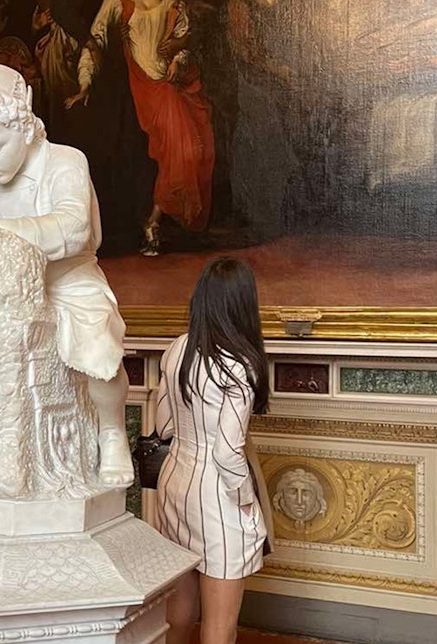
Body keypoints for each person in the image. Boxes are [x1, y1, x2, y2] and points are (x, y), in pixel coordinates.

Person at [0, 63, 133, 486]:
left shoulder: (65, 161)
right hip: (10, 288)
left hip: (68, 279)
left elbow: (73, 229)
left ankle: (112, 430)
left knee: (97, 342)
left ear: (23, 127)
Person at [152, 257, 273, 644]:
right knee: (220, 629)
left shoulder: (176, 349)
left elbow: (162, 426)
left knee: (179, 616)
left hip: (174, 482)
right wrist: (246, 503)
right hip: (217, 498)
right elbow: (226, 453)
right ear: (242, 304)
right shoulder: (238, 365)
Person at [67, 0, 215, 256]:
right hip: (141, 89)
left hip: (170, 87)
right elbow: (95, 41)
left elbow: (185, 41)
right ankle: (150, 223)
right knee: (170, 155)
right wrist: (84, 82)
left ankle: (153, 222)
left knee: (189, 151)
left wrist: (179, 57)